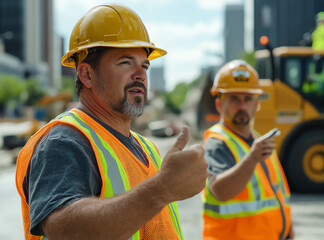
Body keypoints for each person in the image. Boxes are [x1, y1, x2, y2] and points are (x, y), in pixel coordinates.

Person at [15, 4, 208, 240]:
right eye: (126, 62)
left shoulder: (145, 147)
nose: (140, 74)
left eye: (145, 65)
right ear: (87, 75)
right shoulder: (64, 141)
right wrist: (162, 189)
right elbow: (62, 229)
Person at [202, 60, 294, 240]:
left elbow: (275, 193)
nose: (242, 106)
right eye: (234, 99)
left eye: (247, 99)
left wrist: (288, 229)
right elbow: (221, 191)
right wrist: (252, 158)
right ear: (220, 105)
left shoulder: (259, 141)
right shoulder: (217, 142)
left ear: (256, 104)